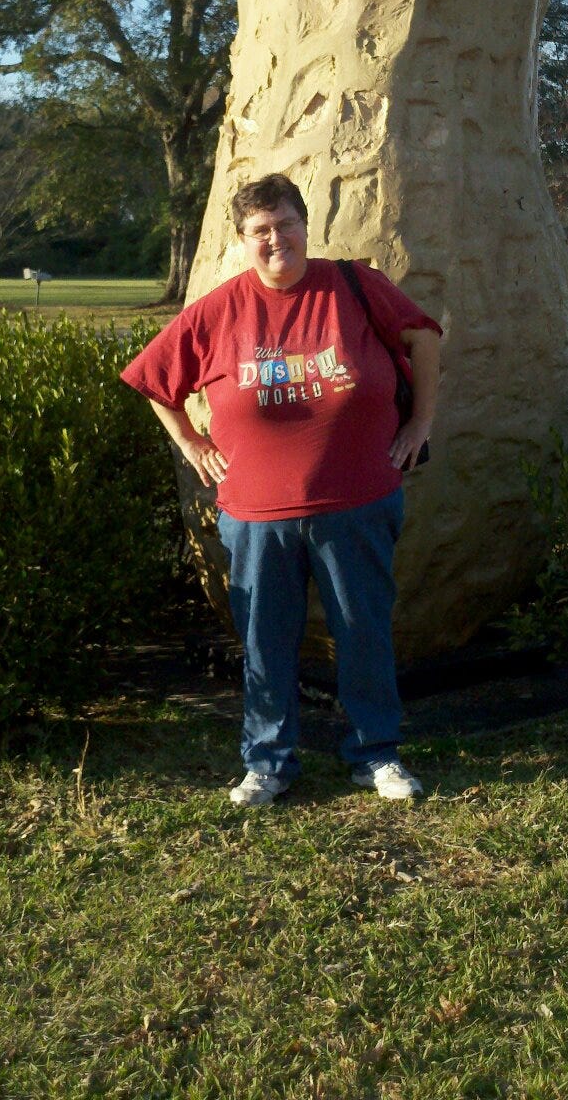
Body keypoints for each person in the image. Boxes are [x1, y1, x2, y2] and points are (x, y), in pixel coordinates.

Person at [120, 173, 442, 806]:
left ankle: (376, 754)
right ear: (243, 240)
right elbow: (154, 379)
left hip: (357, 500)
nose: (275, 240)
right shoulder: (221, 308)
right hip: (257, 513)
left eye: (285, 224)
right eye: (260, 230)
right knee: (266, 639)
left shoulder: (352, 283)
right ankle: (268, 760)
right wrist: (192, 444)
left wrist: (421, 422)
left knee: (364, 631)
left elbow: (423, 336)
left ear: (304, 225)